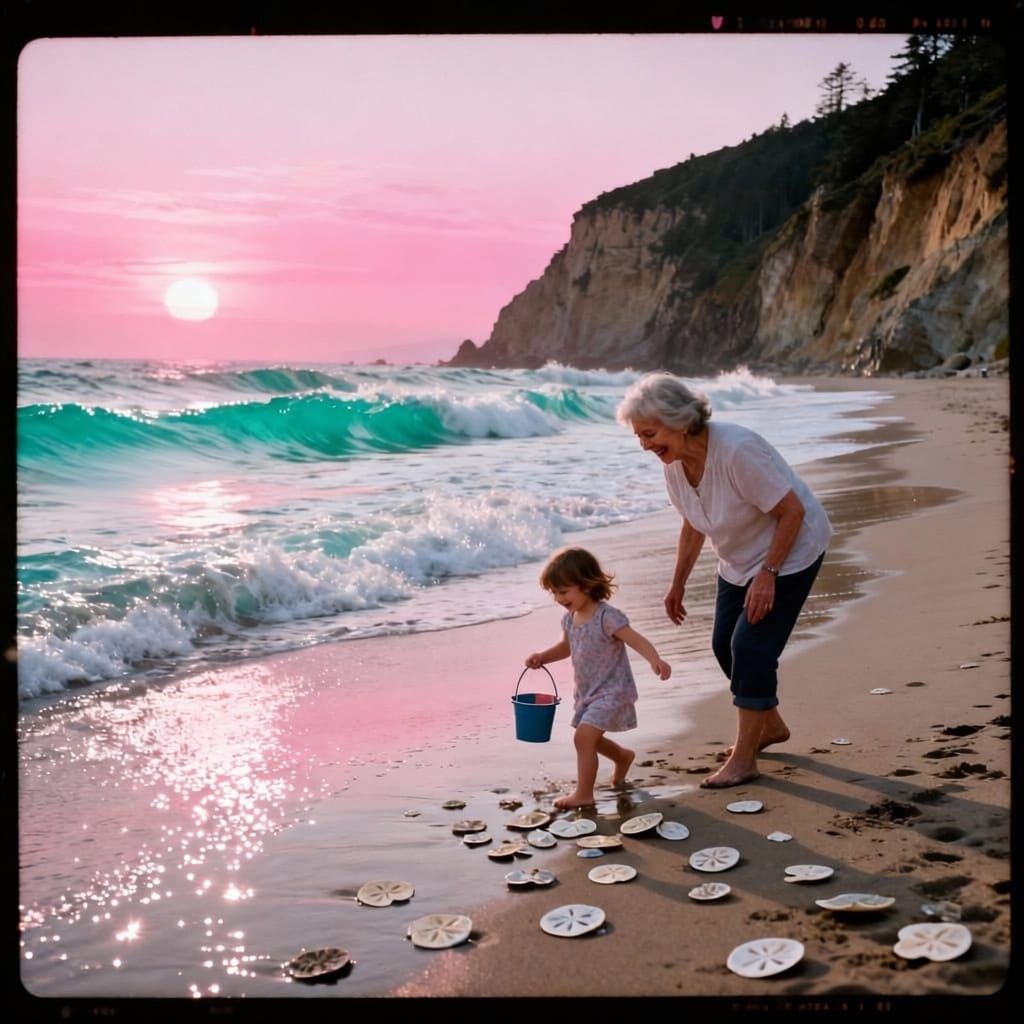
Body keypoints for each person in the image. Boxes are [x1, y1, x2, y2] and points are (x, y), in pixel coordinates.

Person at [616, 371, 832, 789]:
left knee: (750, 647)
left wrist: (768, 575)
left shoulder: (736, 451)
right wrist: (677, 583)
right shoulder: (675, 465)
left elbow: (792, 512)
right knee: (723, 645)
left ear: (679, 421)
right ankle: (768, 726)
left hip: (790, 552)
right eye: (639, 437)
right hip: (738, 560)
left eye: (649, 433)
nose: (645, 445)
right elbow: (692, 525)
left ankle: (744, 758)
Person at [525, 546, 672, 809]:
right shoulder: (570, 620)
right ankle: (622, 757)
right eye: (554, 592)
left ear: (586, 584)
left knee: (583, 738)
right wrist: (542, 657)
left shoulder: (607, 617)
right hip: (588, 692)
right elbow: (565, 648)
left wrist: (655, 659)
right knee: (588, 738)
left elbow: (636, 640)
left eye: (563, 590)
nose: (558, 597)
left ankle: (584, 793)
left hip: (613, 691)